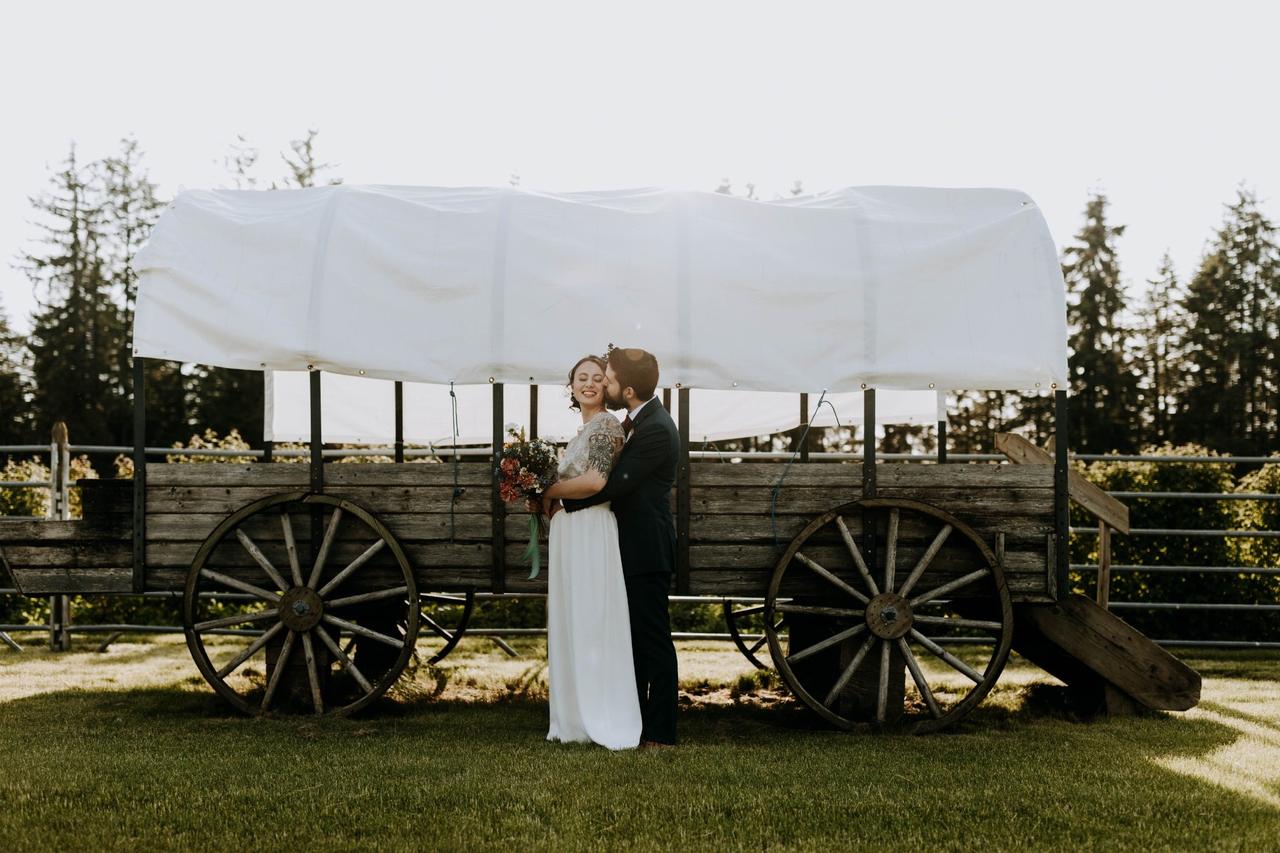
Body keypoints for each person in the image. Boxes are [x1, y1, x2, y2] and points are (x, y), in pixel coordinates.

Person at [544, 347, 680, 748]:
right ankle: (633, 718)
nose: (604, 383)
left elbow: (614, 483)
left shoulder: (655, 428)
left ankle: (661, 732)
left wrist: (550, 493)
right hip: (627, 543)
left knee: (653, 640)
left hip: (645, 547)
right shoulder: (637, 421)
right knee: (632, 640)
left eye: (609, 378)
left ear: (629, 388)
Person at [537, 355, 642, 750]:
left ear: (607, 387)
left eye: (598, 378)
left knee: (591, 618)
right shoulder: (580, 430)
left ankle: (600, 713)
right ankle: (573, 718)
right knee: (571, 618)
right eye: (582, 378)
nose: (590, 383)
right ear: (572, 387)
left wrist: (543, 491)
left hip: (591, 528)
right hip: (570, 531)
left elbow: (596, 481)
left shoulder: (606, 425)